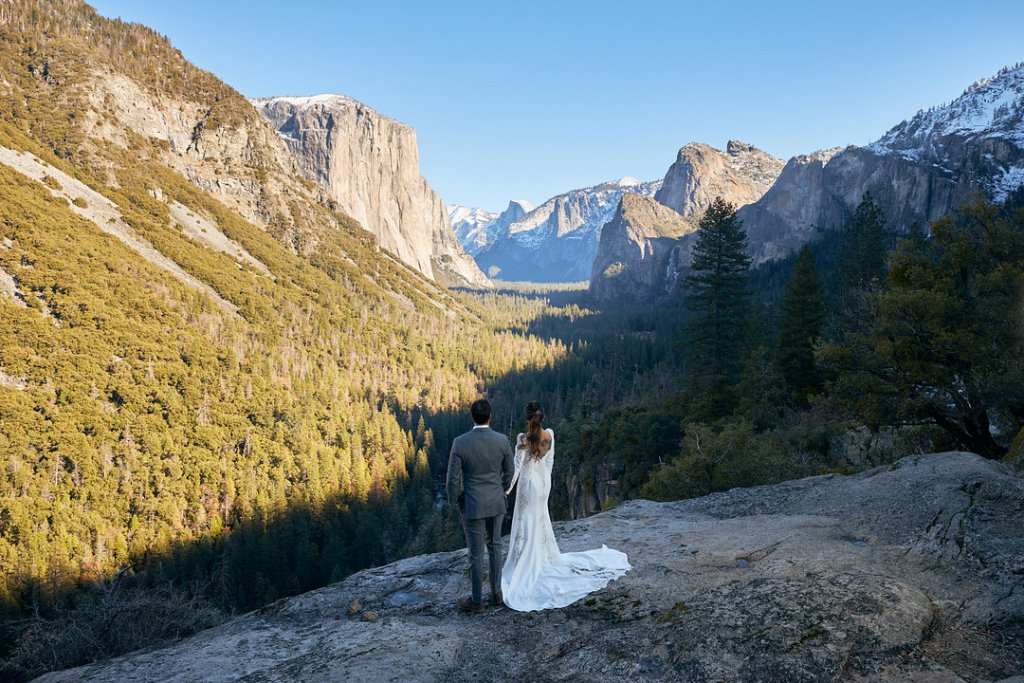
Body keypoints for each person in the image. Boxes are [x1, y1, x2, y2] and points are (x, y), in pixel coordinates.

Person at [501, 401, 631, 611]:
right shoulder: (549, 435)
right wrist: (547, 482)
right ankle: (541, 556)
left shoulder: (523, 439)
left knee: (526, 522)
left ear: (527, 418)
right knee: (541, 520)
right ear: (542, 417)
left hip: (528, 485)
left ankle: (524, 560)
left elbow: (517, 468)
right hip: (543, 484)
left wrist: (506, 490)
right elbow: (549, 462)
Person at [446, 398, 515, 613]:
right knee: (495, 546)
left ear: (472, 417)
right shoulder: (502, 440)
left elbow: (452, 479)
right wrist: (502, 490)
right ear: (490, 417)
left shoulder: (460, 442)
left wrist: (455, 501)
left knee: (475, 553)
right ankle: (497, 593)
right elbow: (510, 471)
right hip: (496, 502)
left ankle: (476, 600)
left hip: (473, 506)